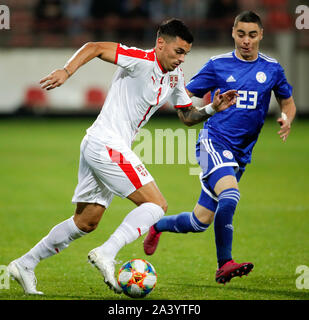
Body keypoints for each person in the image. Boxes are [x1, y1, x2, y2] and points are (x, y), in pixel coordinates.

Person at [7, 19, 237, 295]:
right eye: (178, 51)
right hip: (107, 143)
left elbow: (187, 115)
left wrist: (212, 107)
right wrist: (67, 72)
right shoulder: (139, 60)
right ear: (160, 43)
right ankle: (107, 252)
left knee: (86, 222)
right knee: (157, 205)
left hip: (100, 144)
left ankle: (24, 263)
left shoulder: (176, 77)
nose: (182, 58)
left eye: (185, 53)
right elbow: (94, 47)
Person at [143, 11, 297, 284]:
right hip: (214, 142)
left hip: (241, 155)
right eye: (240, 34)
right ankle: (224, 263)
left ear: (261, 35)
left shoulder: (272, 69)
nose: (246, 41)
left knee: (199, 221)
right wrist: (196, 110)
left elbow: (287, 101)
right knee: (231, 194)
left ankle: (157, 225)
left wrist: (287, 118)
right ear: (233, 34)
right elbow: (184, 95)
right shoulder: (218, 65)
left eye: (252, 35)